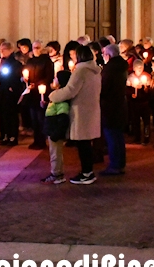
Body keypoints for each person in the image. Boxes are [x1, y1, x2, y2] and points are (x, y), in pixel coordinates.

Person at [49, 46, 102, 185]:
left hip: (81, 111)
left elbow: (70, 90)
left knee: (83, 144)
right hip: (91, 109)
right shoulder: (95, 71)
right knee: (86, 143)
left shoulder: (81, 71)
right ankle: (87, 171)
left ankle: (87, 173)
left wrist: (53, 95)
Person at [101, 44, 129, 175]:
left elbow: (104, 88)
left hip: (110, 107)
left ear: (108, 55)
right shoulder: (121, 66)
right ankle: (120, 163)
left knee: (112, 136)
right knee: (118, 136)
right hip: (119, 105)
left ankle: (115, 165)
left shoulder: (110, 69)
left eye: (104, 54)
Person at [23, 41, 54, 149]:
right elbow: (26, 72)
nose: (36, 49)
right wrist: (25, 79)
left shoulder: (46, 61)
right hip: (32, 94)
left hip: (42, 93)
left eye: (38, 47)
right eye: (34, 47)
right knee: (34, 118)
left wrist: (36, 84)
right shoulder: (30, 61)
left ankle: (42, 141)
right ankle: (36, 140)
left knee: (41, 117)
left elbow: (49, 76)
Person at [41, 70, 71, 184]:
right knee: (54, 152)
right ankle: (56, 172)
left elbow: (62, 117)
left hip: (55, 130)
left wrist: (56, 132)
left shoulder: (60, 99)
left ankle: (57, 174)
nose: (53, 80)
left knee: (55, 153)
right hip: (52, 129)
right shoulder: (56, 97)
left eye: (55, 78)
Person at [0, 41, 24, 146]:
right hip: (2, 91)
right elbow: (1, 77)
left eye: (4, 50)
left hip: (10, 93)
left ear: (10, 50)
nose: (2, 52)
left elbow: (15, 78)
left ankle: (13, 136)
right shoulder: (1, 62)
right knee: (2, 115)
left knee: (11, 115)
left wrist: (12, 87)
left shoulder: (16, 64)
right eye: (0, 50)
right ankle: (5, 135)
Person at [127, 59, 151, 146]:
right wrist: (132, 93)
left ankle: (146, 137)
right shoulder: (130, 77)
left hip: (144, 103)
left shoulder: (147, 76)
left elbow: (150, 90)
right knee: (135, 121)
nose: (139, 69)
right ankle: (137, 137)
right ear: (133, 68)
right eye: (137, 67)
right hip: (135, 103)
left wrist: (145, 88)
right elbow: (127, 90)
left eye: (141, 67)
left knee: (146, 121)